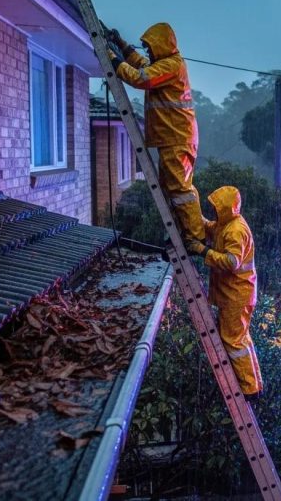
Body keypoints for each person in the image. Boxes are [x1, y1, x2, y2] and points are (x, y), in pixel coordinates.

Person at [107, 23, 205, 255]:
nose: (148, 53)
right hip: (172, 137)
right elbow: (144, 65)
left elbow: (142, 78)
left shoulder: (173, 65)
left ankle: (195, 238)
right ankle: (182, 236)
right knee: (173, 190)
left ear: (161, 45)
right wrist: (122, 45)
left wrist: (113, 59)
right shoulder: (167, 64)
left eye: (151, 47)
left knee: (180, 190)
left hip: (176, 137)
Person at [201, 185, 263, 400]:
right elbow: (213, 228)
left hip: (237, 296)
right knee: (240, 338)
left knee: (233, 341)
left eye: (217, 207)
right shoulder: (227, 224)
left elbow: (231, 261)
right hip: (235, 294)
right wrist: (195, 220)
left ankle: (248, 389)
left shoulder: (237, 230)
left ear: (227, 209)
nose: (214, 211)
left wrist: (204, 251)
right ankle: (253, 384)